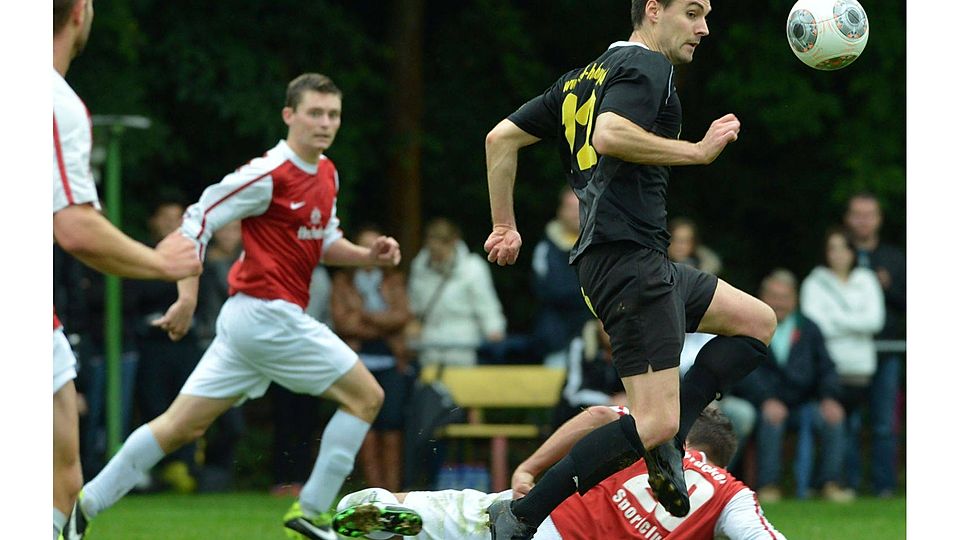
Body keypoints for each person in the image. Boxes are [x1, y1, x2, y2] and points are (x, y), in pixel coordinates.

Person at [482, 1, 776, 535]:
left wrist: (505, 225)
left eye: (707, 13)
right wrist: (697, 151)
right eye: (692, 12)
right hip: (628, 263)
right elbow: (610, 135)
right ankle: (523, 515)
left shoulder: (582, 79)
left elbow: (500, 138)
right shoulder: (648, 66)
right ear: (654, 11)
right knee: (650, 421)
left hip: (631, 260)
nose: (704, 27)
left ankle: (670, 445)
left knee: (757, 322)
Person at [67, 73, 401, 540]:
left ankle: (83, 507)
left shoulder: (327, 173)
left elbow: (323, 241)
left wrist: (367, 256)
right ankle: (310, 514)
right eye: (315, 113)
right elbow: (196, 219)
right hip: (267, 315)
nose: (325, 123)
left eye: (333, 115)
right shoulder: (267, 174)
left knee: (178, 427)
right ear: (289, 115)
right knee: (367, 396)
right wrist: (185, 295)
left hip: (253, 322)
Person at [53, 1, 202, 538]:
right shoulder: (54, 99)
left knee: (63, 482)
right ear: (79, 14)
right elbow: (74, 227)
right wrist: (161, 262)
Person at [333, 406, 785, 540]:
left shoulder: (655, 433)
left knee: (460, 513)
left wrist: (529, 465)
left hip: (546, 513)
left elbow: (594, 417)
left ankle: (375, 513)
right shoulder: (729, 492)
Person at [738, 269, 846, 502]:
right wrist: (766, 399)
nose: (779, 302)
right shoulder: (749, 327)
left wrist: (829, 397)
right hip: (764, 403)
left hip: (804, 404)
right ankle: (769, 486)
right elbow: (744, 371)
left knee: (833, 417)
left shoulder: (809, 328)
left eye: (784, 297)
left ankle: (829, 483)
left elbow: (827, 367)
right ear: (761, 297)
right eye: (773, 296)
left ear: (794, 299)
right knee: (771, 419)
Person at [800, 227, 884, 499]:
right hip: (826, 372)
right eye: (832, 247)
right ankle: (827, 483)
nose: (838, 254)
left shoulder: (866, 279)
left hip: (860, 371)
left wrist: (836, 320)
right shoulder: (814, 282)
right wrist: (856, 323)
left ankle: (849, 483)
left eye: (843, 247)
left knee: (854, 429)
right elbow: (815, 325)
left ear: (852, 252)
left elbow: (875, 321)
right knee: (831, 426)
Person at [129, 199, 205, 493]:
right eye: (166, 217)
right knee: (155, 407)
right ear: (153, 221)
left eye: (179, 217)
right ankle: (154, 472)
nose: (173, 223)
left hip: (186, 344)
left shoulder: (193, 253)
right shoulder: (144, 254)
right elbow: (137, 292)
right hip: (152, 344)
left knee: (190, 405)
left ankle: (187, 467)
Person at [331, 224, 413, 493]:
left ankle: (393, 490)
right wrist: (382, 322)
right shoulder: (342, 282)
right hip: (358, 362)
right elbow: (343, 323)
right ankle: (374, 490)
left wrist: (364, 314)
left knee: (391, 426)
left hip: (391, 361)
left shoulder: (393, 280)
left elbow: (401, 316)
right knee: (365, 427)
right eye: (364, 246)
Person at [843, 191, 906, 497]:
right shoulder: (839, 254)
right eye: (858, 214)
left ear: (879, 219)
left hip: (887, 352)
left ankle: (884, 487)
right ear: (848, 218)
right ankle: (850, 485)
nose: (863, 221)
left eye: (869, 215)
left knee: (884, 424)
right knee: (851, 421)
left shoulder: (897, 259)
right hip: (848, 354)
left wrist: (889, 288)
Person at [407, 218, 507, 366]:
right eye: (432, 248)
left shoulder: (473, 267)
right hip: (429, 343)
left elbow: (487, 305)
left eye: (440, 247)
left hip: (463, 344)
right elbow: (413, 305)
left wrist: (494, 329)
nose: (436, 253)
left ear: (453, 242)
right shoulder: (420, 267)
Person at [531, 187, 594, 367]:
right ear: (560, 212)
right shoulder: (546, 248)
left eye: (581, 207)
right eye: (571, 208)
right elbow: (552, 290)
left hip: (596, 340)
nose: (576, 214)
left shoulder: (599, 245)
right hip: (557, 339)